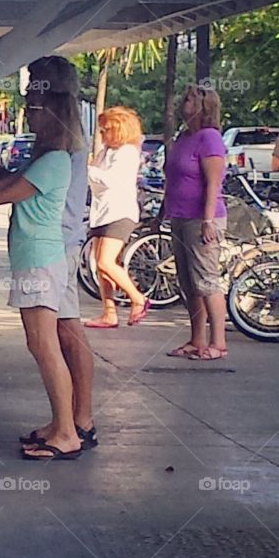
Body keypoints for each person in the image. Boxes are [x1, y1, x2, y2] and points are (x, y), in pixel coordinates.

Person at [0, 69, 86, 461]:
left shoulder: (55, 160)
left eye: (35, 110)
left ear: (54, 115)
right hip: (36, 259)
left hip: (40, 261)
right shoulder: (45, 159)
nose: (29, 115)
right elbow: (9, 181)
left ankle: (67, 432)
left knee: (45, 346)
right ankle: (58, 424)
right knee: (42, 345)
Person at [162, 85, 228, 361]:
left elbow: (213, 182)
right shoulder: (183, 137)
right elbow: (173, 179)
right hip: (179, 216)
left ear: (203, 106)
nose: (183, 102)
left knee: (206, 280)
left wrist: (208, 219)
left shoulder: (209, 138)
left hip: (201, 219)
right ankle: (197, 338)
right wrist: (162, 214)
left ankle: (218, 343)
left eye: (189, 99)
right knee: (189, 283)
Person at [84, 106, 148, 328]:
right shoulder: (106, 152)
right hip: (102, 212)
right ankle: (108, 312)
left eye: (106, 130)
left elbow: (109, 180)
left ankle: (137, 298)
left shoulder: (127, 153)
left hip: (118, 212)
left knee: (106, 261)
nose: (102, 135)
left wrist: (87, 169)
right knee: (100, 265)